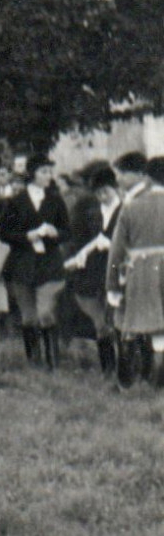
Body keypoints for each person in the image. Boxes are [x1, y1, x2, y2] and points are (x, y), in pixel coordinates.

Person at [0, 153, 71, 370]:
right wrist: (26, 237)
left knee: (45, 312)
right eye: (44, 171)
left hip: (49, 264)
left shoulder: (56, 200)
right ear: (32, 175)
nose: (49, 176)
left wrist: (54, 232)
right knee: (29, 317)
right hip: (23, 264)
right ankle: (34, 362)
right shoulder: (15, 202)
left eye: (50, 171)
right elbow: (4, 233)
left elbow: (67, 231)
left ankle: (53, 362)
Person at [106, 156, 164, 389]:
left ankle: (140, 379)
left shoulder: (131, 207)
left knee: (145, 323)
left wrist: (112, 285)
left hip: (143, 272)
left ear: (147, 178)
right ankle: (159, 380)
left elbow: (116, 251)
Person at [65, 162, 121, 376]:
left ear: (114, 188)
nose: (102, 197)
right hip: (93, 271)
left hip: (116, 268)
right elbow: (79, 237)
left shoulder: (124, 209)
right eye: (99, 193)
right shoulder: (91, 210)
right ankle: (108, 369)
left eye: (106, 192)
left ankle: (125, 367)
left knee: (116, 319)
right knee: (100, 321)